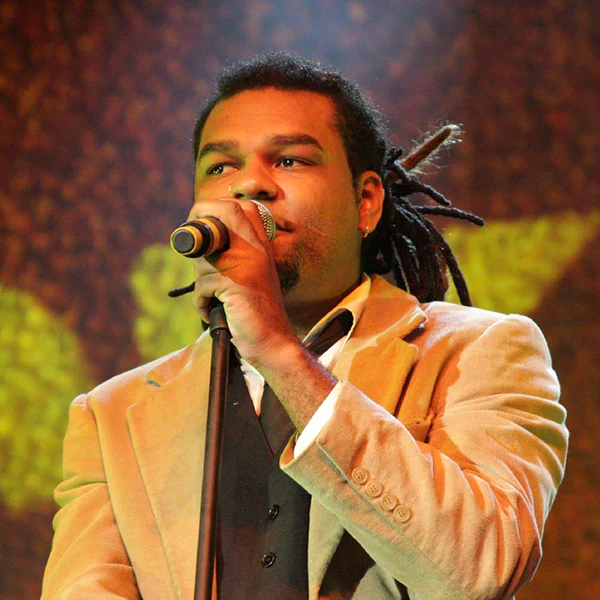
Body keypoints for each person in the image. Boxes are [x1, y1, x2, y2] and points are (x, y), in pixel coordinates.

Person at [42, 52, 568, 600]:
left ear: (366, 202)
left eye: (290, 160)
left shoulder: (479, 350)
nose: (250, 185)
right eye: (220, 167)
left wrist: (277, 350)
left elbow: (480, 570)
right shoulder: (111, 413)